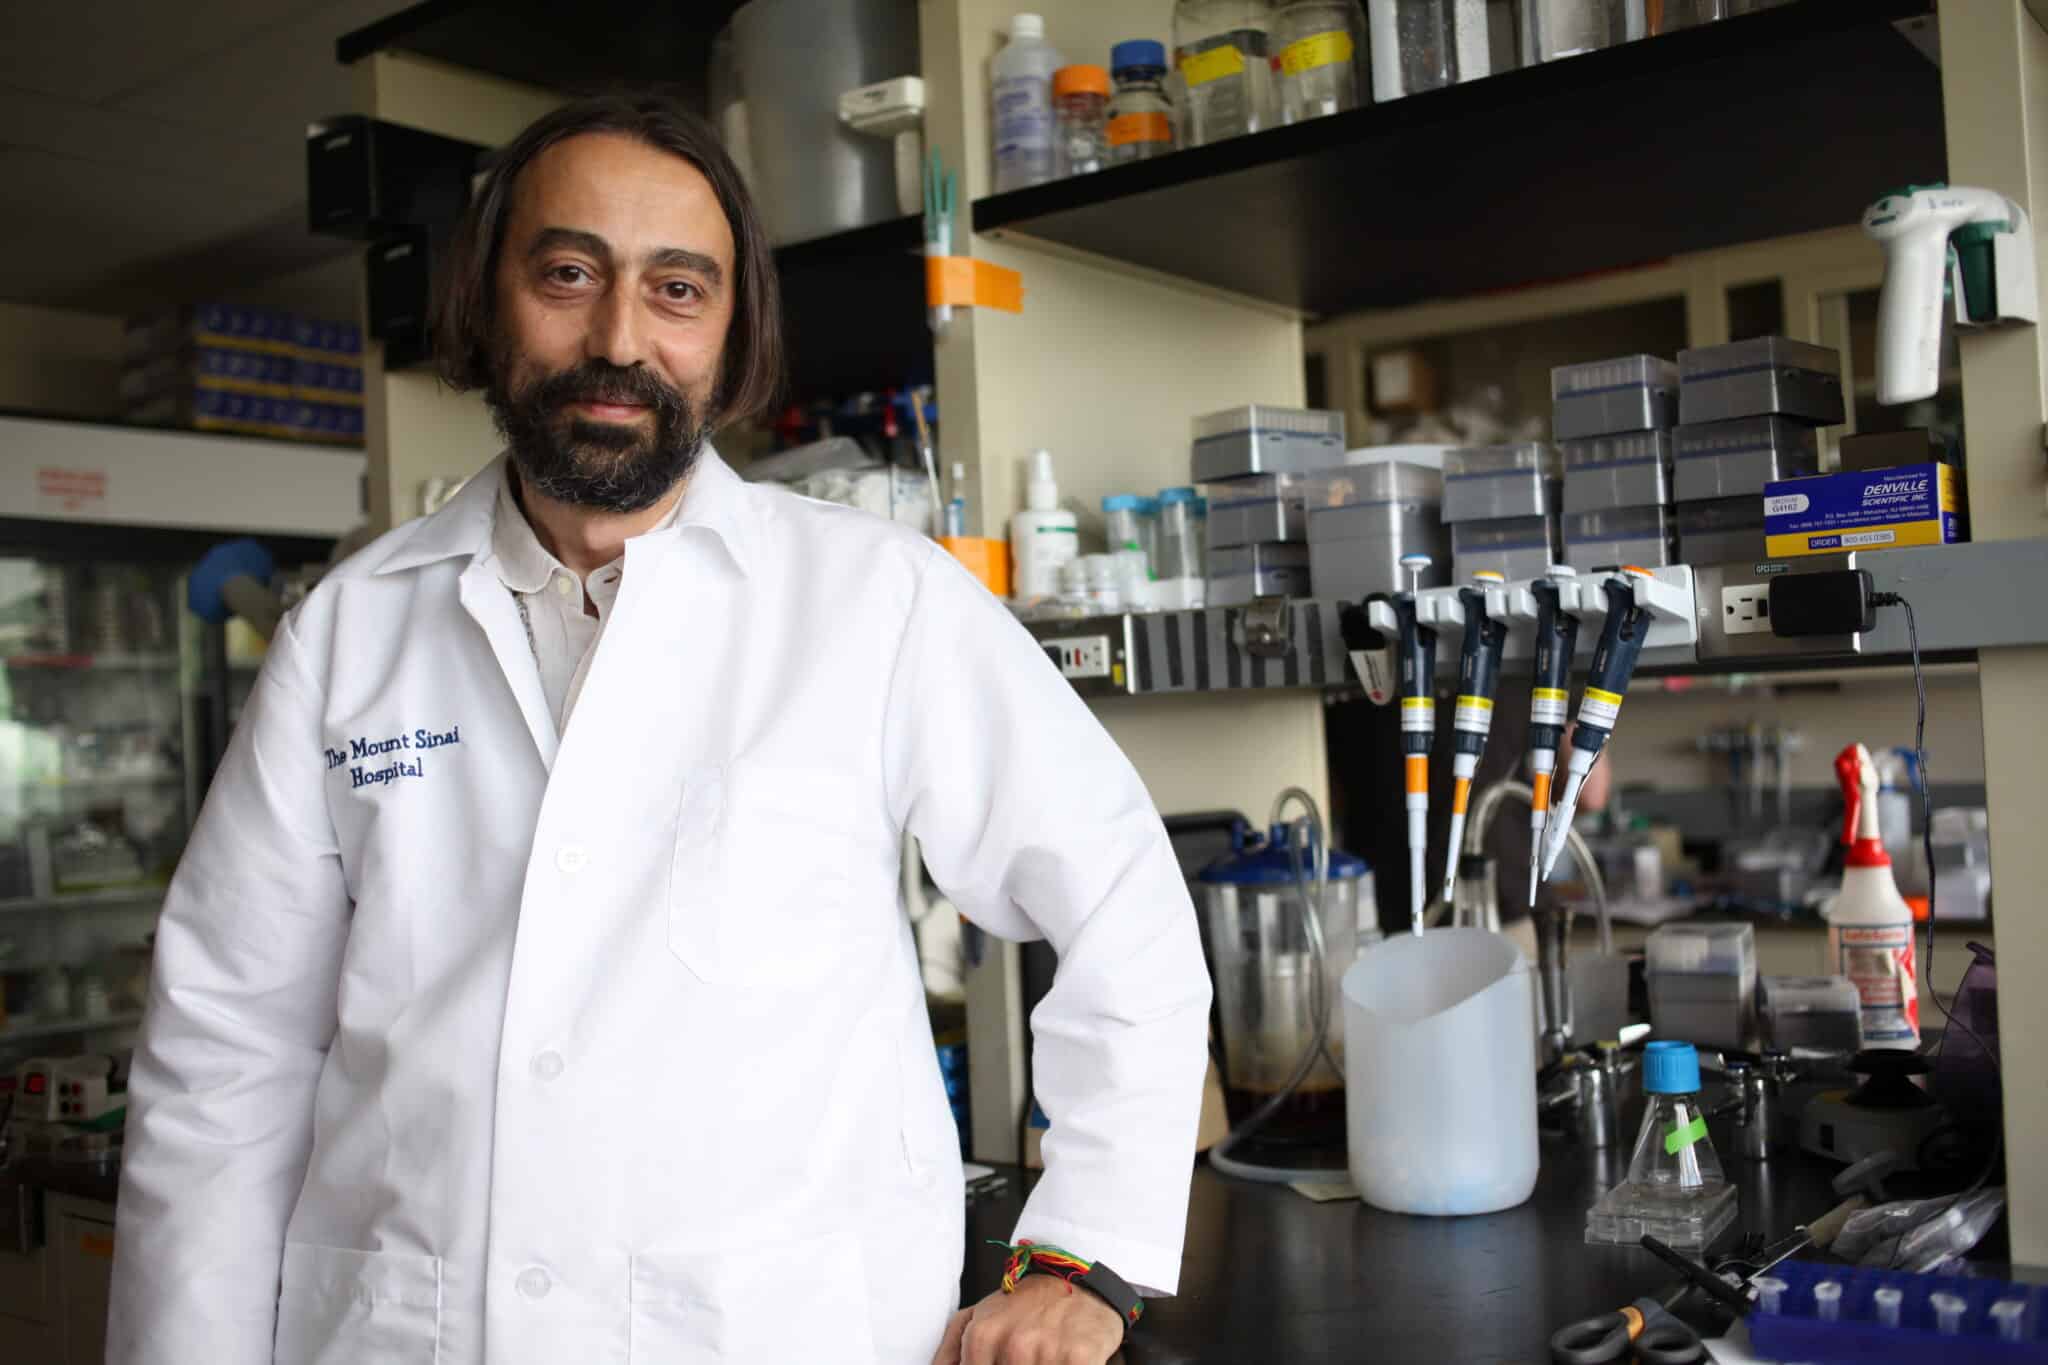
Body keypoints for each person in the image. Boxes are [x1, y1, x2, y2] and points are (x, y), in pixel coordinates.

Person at [107, 94, 1211, 1365]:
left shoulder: (876, 602)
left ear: (731, 329)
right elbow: (223, 1058)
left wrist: (1084, 1257)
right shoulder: (349, 634)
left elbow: (1120, 900)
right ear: (485, 299)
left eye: (678, 289)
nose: (620, 336)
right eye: (568, 273)